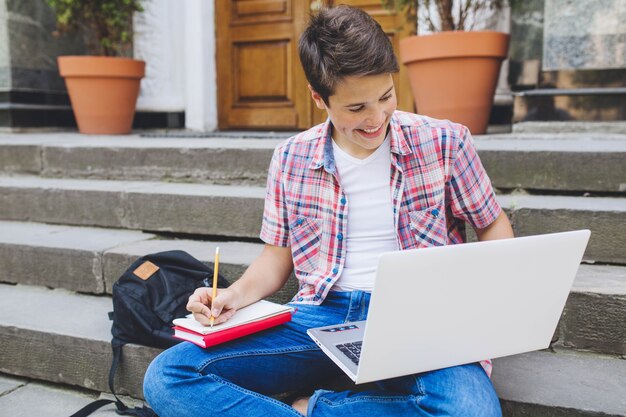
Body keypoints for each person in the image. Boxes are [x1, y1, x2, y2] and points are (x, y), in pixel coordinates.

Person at [143, 5, 514, 417]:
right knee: (168, 377)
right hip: (321, 317)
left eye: (386, 96)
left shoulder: (444, 141)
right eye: (356, 108)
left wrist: (484, 298)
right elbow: (276, 257)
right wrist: (232, 296)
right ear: (319, 98)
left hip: (421, 317)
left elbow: (491, 223)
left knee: (471, 412)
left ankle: (316, 410)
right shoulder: (291, 158)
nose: (377, 118)